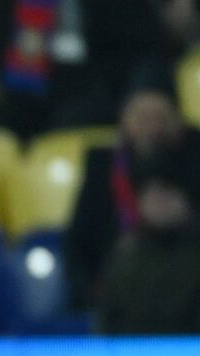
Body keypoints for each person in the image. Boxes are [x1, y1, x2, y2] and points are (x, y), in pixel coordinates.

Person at [65, 63, 200, 310]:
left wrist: (187, 218)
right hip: (123, 295)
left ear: (177, 120)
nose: (151, 128)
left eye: (160, 117)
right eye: (141, 117)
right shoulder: (102, 166)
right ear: (124, 119)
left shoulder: (194, 159)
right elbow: (79, 243)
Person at [96, 155, 200, 333]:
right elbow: (108, 317)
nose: (160, 202)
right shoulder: (125, 254)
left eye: (168, 192)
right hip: (133, 355)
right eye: (151, 194)